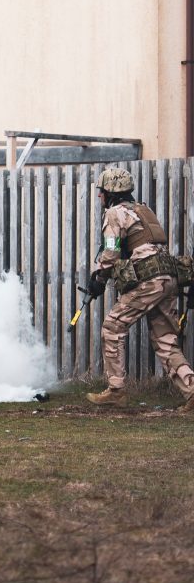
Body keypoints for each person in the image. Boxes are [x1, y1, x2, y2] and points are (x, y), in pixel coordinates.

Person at [84, 167, 194, 411]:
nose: (99, 197)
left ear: (110, 193)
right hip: (168, 278)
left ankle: (116, 390)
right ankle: (192, 391)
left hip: (149, 281)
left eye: (101, 192)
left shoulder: (114, 213)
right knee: (166, 340)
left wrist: (98, 280)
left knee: (113, 327)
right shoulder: (144, 210)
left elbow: (110, 253)